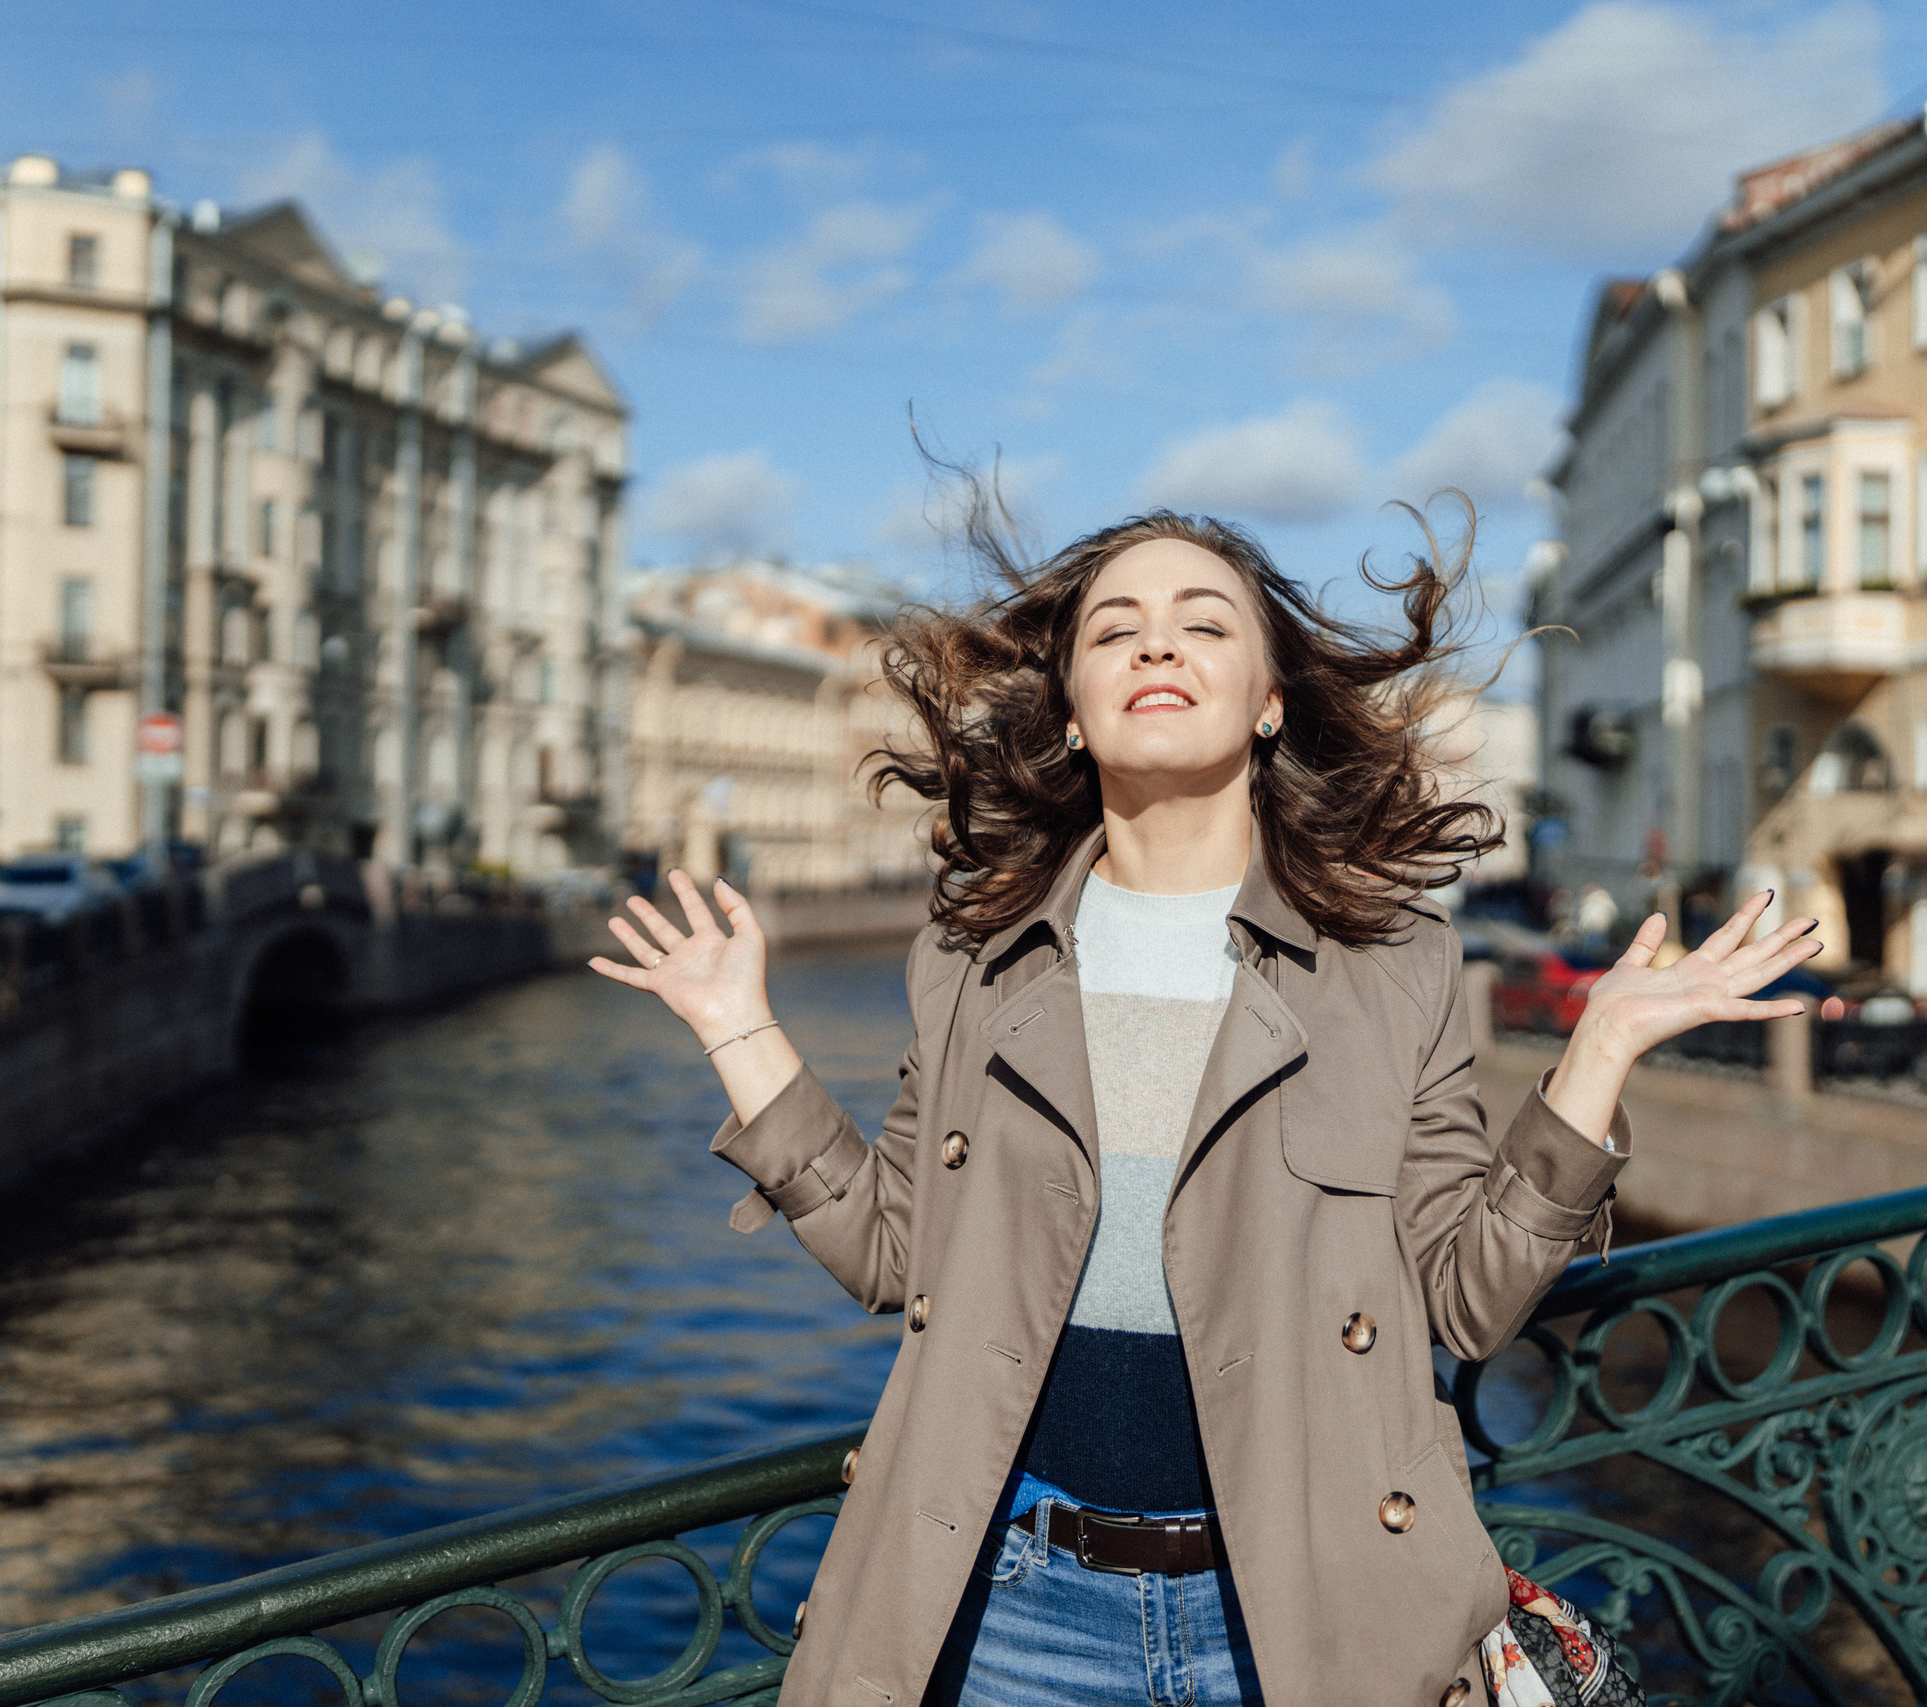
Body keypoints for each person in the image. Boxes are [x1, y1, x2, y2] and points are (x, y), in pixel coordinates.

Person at [592, 501, 1825, 1707]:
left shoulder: (1392, 958)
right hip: (1014, 1611)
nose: (1157, 645)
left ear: (1271, 698)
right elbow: (894, 1252)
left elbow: (1463, 1301)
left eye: (1203, 623)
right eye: (1114, 630)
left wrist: (1596, 1052)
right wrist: (738, 1031)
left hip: (1309, 1609)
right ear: (1071, 708)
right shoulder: (977, 954)